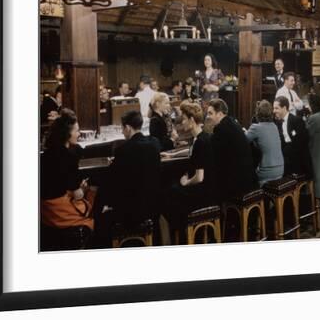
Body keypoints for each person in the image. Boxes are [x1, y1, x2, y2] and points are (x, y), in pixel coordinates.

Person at [93, 110, 162, 247]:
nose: (123, 133)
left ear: (128, 128)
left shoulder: (123, 150)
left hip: (132, 212)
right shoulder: (155, 144)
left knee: (100, 217)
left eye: (122, 129)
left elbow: (111, 183)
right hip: (153, 207)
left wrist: (98, 206)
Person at [40, 109, 95, 251]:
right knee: (93, 213)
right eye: (76, 130)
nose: (79, 133)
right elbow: (78, 194)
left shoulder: (46, 154)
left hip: (44, 211)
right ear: (66, 133)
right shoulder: (68, 157)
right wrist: (83, 188)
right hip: (60, 212)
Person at [163, 102, 217, 229]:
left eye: (184, 119)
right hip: (208, 188)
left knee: (168, 194)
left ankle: (182, 232)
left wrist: (185, 182)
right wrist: (172, 155)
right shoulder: (201, 137)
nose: (182, 123)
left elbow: (199, 178)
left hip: (204, 193)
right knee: (171, 190)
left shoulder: (201, 142)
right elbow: (191, 151)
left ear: (192, 120)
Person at [207, 99, 256, 200]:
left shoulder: (221, 128)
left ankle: (217, 214)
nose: (208, 117)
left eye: (210, 113)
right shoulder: (233, 122)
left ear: (219, 114)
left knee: (208, 185)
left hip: (238, 183)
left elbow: (213, 155)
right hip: (248, 177)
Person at [245, 100, 284, 186]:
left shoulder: (256, 128)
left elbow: (243, 141)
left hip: (267, 173)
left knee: (245, 176)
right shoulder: (274, 126)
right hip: (280, 170)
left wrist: (244, 131)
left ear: (257, 113)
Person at [273, 96, 312, 177]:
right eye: (274, 108)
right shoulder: (277, 123)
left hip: (298, 161)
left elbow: (302, 144)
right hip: (285, 159)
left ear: (284, 108)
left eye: (276, 108)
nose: (274, 111)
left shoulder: (297, 121)